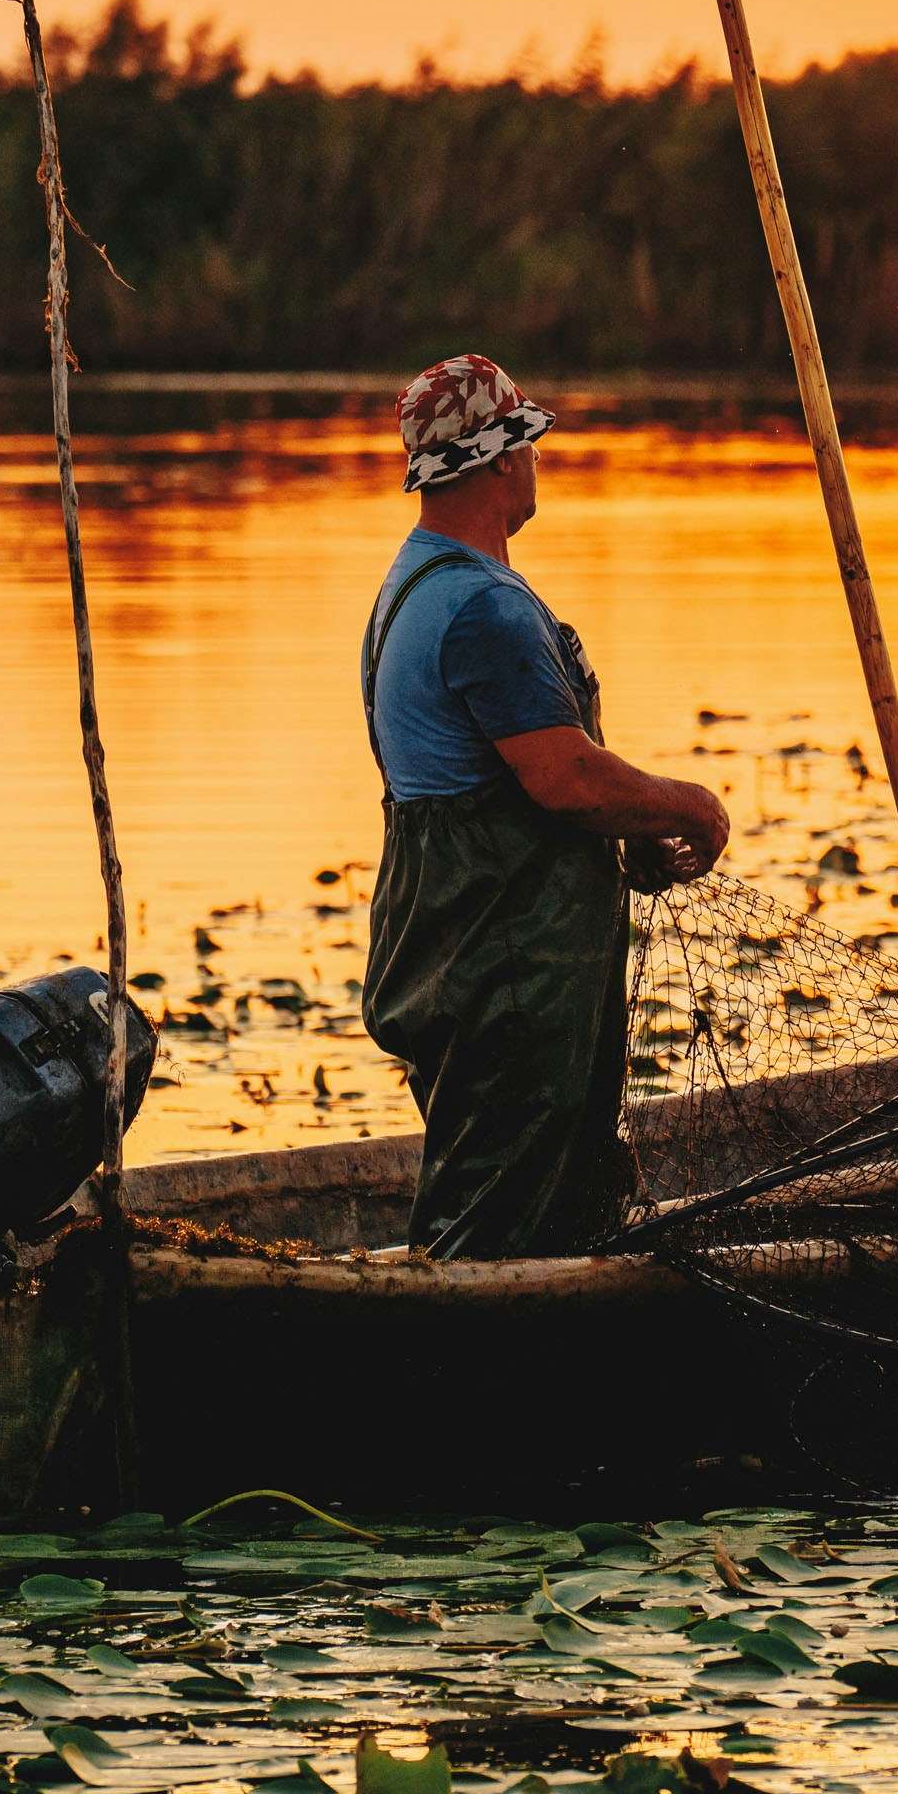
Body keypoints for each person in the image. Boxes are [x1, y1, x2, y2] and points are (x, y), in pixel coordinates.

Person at [358, 356, 730, 1257]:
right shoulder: (482, 607)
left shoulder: (410, 584)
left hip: (448, 948)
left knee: (527, 1188)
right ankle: (474, 1383)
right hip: (508, 972)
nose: (536, 463)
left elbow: (506, 784)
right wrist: (690, 806)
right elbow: (562, 777)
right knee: (505, 1221)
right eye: (526, 446)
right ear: (494, 463)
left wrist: (625, 834)